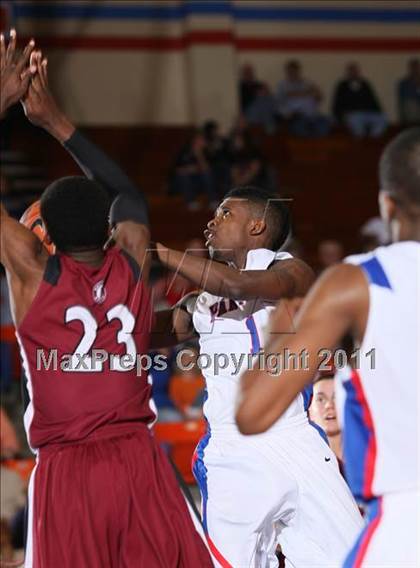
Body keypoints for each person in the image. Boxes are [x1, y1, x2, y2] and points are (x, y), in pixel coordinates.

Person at [0, 33, 212, 567]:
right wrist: (54, 121)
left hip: (68, 466)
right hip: (138, 456)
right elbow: (128, 193)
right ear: (111, 230)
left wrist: (3, 101)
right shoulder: (133, 265)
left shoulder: (30, 274)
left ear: (41, 236)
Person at [236, 128, 420, 567]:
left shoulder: (357, 282)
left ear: (386, 204)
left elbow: (253, 411)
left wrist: (283, 321)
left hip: (405, 520)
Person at [153, 186, 363, 567]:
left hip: (295, 438)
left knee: (356, 559)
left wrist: (160, 253)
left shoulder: (292, 271)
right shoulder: (198, 303)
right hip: (233, 452)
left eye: (224, 214)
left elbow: (237, 286)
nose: (210, 223)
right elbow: (139, 334)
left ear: (257, 226)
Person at [276, 60, 330, 137]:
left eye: (294, 71)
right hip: (295, 115)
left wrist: (316, 93)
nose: (292, 73)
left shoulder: (307, 82)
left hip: (312, 114)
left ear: (298, 71)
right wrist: (307, 92)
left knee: (325, 125)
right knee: (301, 130)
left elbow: (319, 96)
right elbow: (289, 95)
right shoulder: (283, 84)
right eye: (290, 71)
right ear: (287, 72)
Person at [332, 63, 387, 138]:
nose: (354, 73)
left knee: (382, 118)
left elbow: (373, 100)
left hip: (367, 112)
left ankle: (373, 140)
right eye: (351, 71)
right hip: (352, 114)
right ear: (348, 72)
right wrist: (340, 116)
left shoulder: (365, 84)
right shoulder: (342, 86)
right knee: (356, 120)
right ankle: (361, 142)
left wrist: (379, 111)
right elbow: (337, 103)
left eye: (355, 71)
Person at [309, 374, 343, 464]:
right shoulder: (307, 462)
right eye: (320, 399)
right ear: (310, 411)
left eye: (336, 398)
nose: (329, 405)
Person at [397, 58, 420, 125]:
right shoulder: (404, 83)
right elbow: (401, 101)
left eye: (416, 67)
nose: (415, 69)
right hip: (411, 109)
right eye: (413, 67)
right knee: (411, 105)